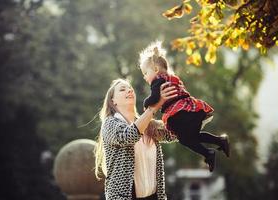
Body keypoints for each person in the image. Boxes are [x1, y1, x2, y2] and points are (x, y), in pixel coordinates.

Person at [138, 41, 230, 172]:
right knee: (192, 137)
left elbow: (154, 98)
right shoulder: (172, 77)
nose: (145, 77)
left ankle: (208, 153)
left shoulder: (157, 81)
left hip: (181, 113)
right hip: (192, 109)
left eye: (145, 73)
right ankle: (220, 140)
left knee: (184, 139)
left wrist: (145, 104)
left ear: (155, 70)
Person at [94, 78, 178, 200]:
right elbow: (129, 136)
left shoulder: (149, 125)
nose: (129, 90)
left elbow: (175, 133)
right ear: (113, 101)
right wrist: (153, 108)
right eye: (122, 89)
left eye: (130, 89)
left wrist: (191, 109)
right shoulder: (109, 124)